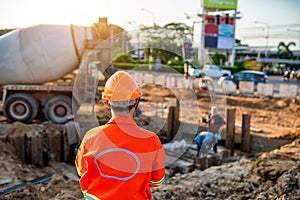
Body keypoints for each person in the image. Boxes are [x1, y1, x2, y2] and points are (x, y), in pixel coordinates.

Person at [75, 71, 166, 200]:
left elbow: (81, 171)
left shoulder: (91, 138)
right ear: (136, 103)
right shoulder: (151, 141)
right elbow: (156, 181)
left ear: (107, 103)